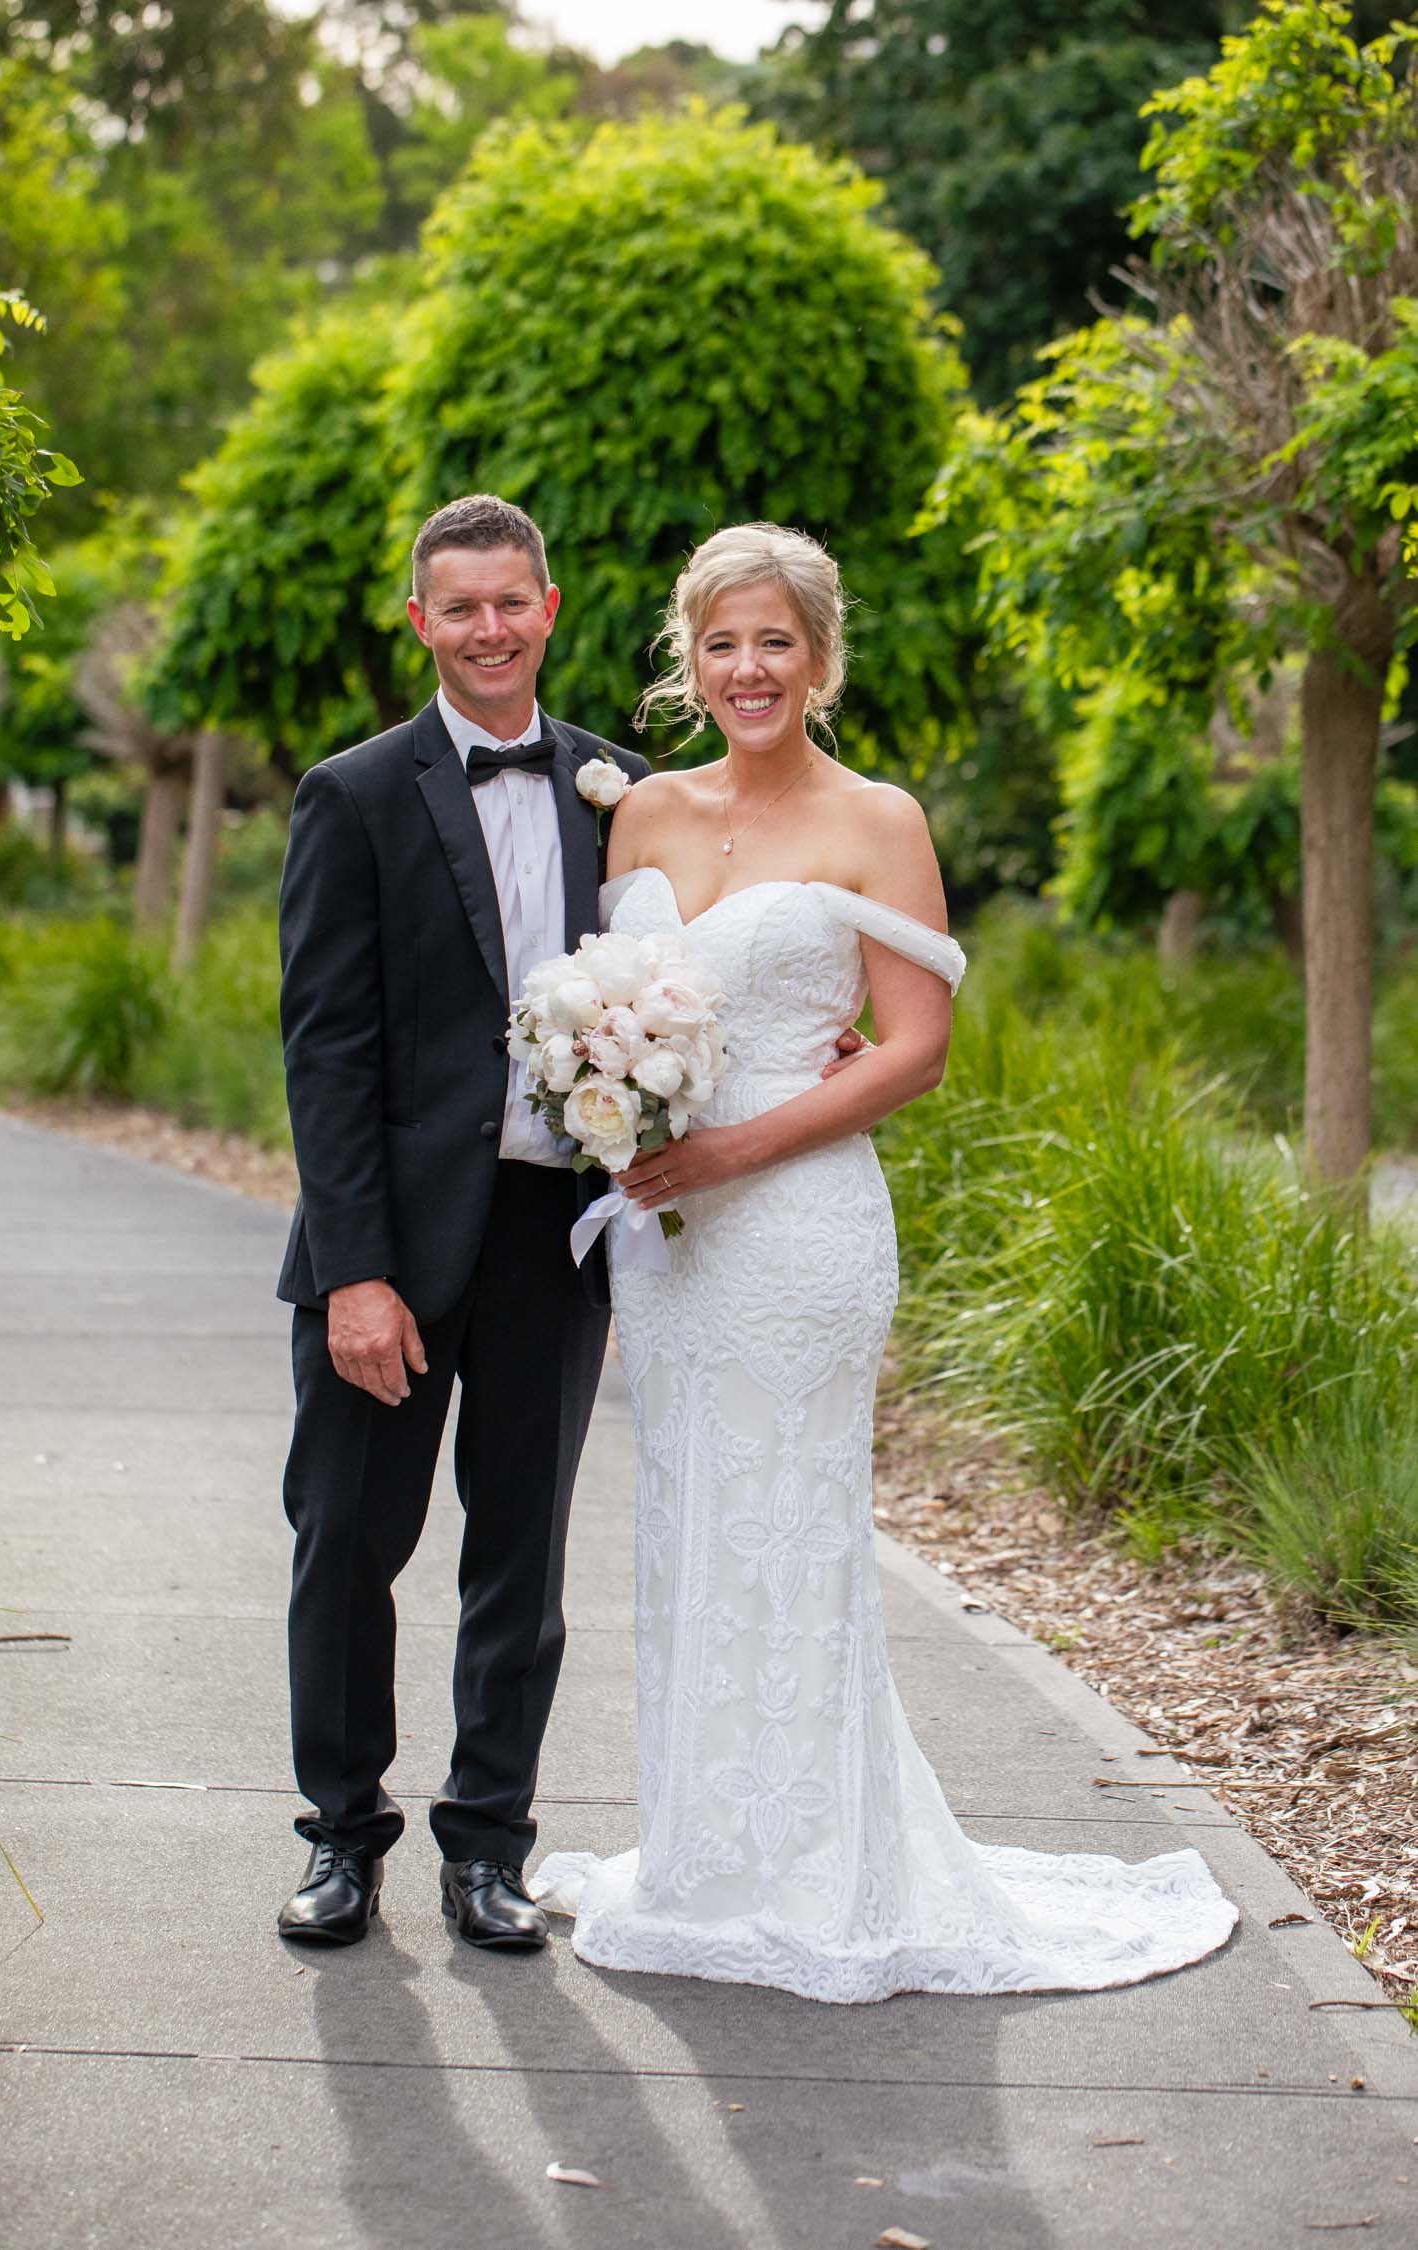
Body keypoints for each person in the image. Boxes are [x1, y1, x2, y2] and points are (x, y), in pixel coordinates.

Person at [533, 523, 1238, 2000]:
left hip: (795, 1232)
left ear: (821, 655)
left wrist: (732, 1147)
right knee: (689, 1519)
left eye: (776, 642)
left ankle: (825, 1868)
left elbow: (914, 1047)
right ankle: (705, 1858)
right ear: (690, 655)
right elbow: (619, 1007)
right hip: (665, 1245)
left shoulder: (879, 819)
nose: (748, 669)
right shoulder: (643, 814)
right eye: (723, 642)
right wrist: (613, 1103)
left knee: (792, 1520)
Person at [274, 494, 653, 1949]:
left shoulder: (625, 790)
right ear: (419, 619)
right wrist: (357, 1273)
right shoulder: (353, 794)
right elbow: (328, 1049)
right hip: (386, 1246)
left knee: (521, 1556)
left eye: (513, 602)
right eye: (462, 606)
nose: (489, 628)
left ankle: (489, 1843)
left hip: (550, 1239)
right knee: (345, 1543)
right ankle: (340, 1839)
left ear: (548, 609)